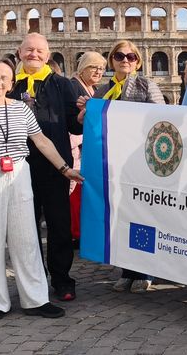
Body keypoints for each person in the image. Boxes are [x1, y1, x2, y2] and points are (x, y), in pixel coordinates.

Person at [0, 58, 83, 321]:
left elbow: (41, 141)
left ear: (11, 84)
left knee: (26, 240)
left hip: (18, 174)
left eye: (3, 78)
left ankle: (35, 299)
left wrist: (65, 169)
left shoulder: (21, 109)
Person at [8, 33, 84, 302]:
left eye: (40, 51)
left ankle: (62, 279)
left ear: (48, 55)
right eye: (29, 49)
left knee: (59, 223)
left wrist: (82, 116)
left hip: (55, 166)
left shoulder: (62, 84)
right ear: (19, 52)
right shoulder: (10, 85)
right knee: (25, 226)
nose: (34, 54)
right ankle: (34, 278)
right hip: (19, 167)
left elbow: (74, 125)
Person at [85, 42, 164, 293]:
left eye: (131, 56)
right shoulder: (103, 91)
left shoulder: (147, 86)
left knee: (142, 217)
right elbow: (93, 125)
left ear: (138, 61)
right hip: (113, 165)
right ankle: (127, 270)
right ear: (111, 60)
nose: (125, 60)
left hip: (141, 162)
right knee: (120, 217)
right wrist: (84, 113)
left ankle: (146, 271)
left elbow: (162, 119)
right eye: (119, 56)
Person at [68, 52, 105, 248]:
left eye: (101, 68)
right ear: (83, 68)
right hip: (76, 147)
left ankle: (82, 231)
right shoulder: (74, 86)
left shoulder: (94, 88)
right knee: (76, 192)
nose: (98, 71)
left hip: (87, 146)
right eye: (94, 67)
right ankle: (77, 233)